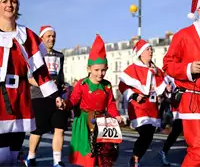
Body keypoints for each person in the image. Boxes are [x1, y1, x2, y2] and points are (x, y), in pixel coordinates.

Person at [0, 0, 64, 167]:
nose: (9, 5)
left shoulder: (26, 35)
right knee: (2, 157)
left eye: (13, 1)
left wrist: (55, 95)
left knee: (12, 155)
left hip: (20, 97)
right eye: (5, 1)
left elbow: (40, 71)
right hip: (0, 98)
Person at [67, 34, 122, 167]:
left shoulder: (107, 86)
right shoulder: (82, 84)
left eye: (103, 70)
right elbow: (73, 100)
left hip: (103, 122)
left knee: (104, 153)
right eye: (96, 70)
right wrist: (65, 105)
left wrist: (116, 115)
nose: (100, 73)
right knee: (89, 153)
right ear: (89, 69)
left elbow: (110, 103)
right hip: (85, 123)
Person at [119, 39, 172, 167]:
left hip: (152, 107)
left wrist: (167, 89)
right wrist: (134, 95)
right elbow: (122, 86)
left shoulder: (156, 70)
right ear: (141, 53)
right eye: (148, 49)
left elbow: (163, 85)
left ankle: (135, 158)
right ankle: (135, 160)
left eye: (151, 49)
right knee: (145, 133)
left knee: (149, 136)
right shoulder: (133, 68)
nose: (151, 51)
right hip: (138, 106)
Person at [163, 0, 200, 167]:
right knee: (198, 150)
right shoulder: (183, 35)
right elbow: (168, 64)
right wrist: (188, 69)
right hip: (193, 99)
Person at [25, 26, 68, 167]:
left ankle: (57, 161)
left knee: (59, 127)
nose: (52, 39)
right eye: (48, 36)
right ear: (41, 38)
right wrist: (45, 85)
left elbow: (60, 74)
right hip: (39, 95)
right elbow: (29, 78)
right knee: (39, 129)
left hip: (57, 96)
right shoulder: (35, 55)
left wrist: (62, 85)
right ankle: (30, 157)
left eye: (53, 36)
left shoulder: (59, 55)